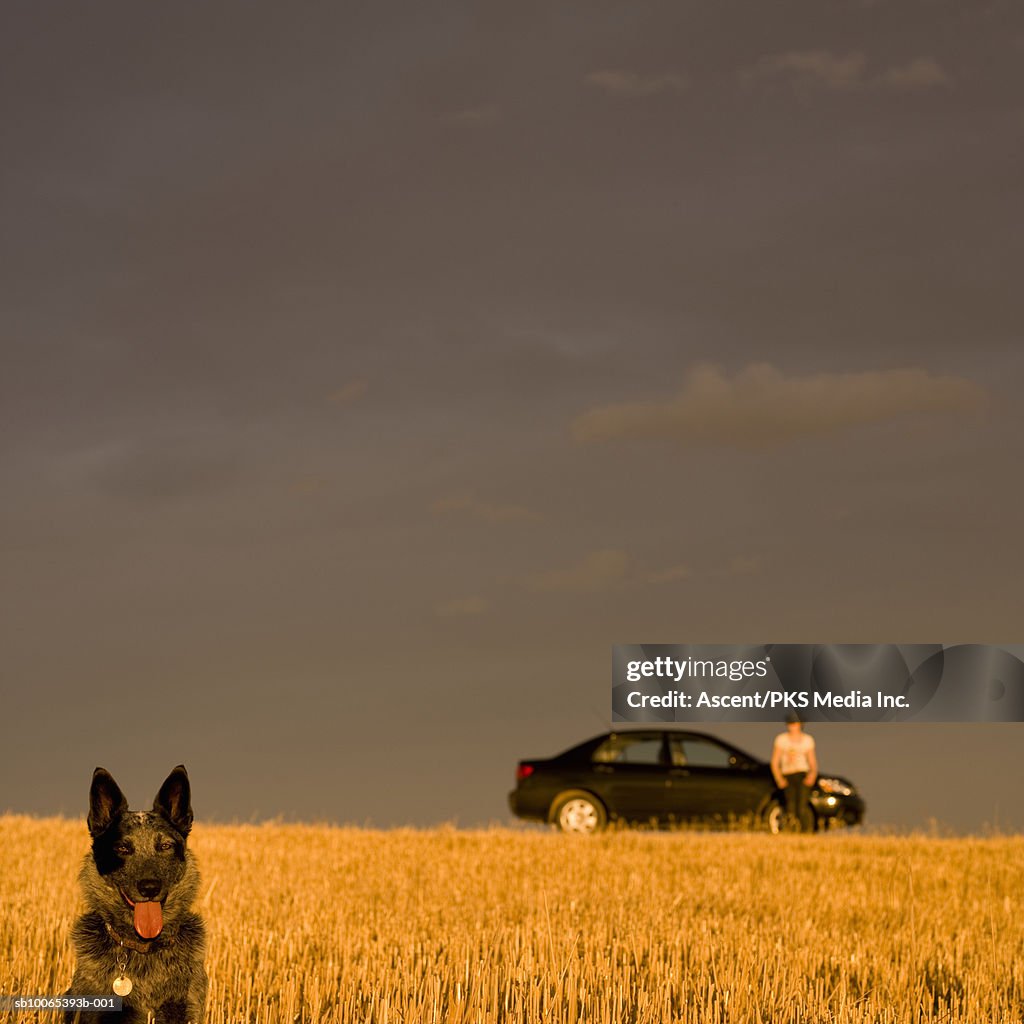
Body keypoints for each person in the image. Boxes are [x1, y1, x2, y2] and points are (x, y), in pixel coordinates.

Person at [770, 712, 817, 832]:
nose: (793, 726)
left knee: (802, 806)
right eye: (790, 723)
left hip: (802, 774)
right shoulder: (781, 739)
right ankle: (790, 830)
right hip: (788, 775)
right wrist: (779, 778)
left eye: (795, 723)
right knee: (790, 805)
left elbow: (812, 762)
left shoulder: (807, 740)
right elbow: (775, 762)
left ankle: (804, 831)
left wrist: (812, 775)